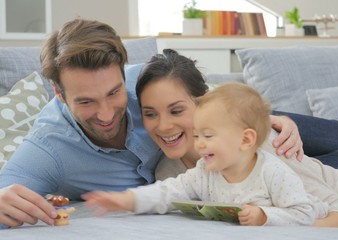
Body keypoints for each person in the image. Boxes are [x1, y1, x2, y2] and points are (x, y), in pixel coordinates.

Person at [0, 19, 309, 229]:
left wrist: (268, 118)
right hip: (214, 167)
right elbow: (6, 191)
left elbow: (202, 97)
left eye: (113, 93)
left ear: (123, 74)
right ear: (59, 93)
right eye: (86, 102)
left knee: (320, 137)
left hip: (233, 139)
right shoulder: (48, 149)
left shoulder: (142, 82)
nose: (107, 114)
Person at [133, 49, 338, 233]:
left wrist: (269, 219)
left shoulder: (259, 151)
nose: (163, 125)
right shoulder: (166, 171)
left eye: (176, 110)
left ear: (205, 104)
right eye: (150, 114)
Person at [82, 82, 328, 226]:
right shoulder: (203, 172)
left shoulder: (273, 172)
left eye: (208, 137)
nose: (199, 145)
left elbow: (304, 213)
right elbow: (168, 192)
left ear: (246, 140)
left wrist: (264, 216)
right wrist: (126, 200)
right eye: (197, 135)